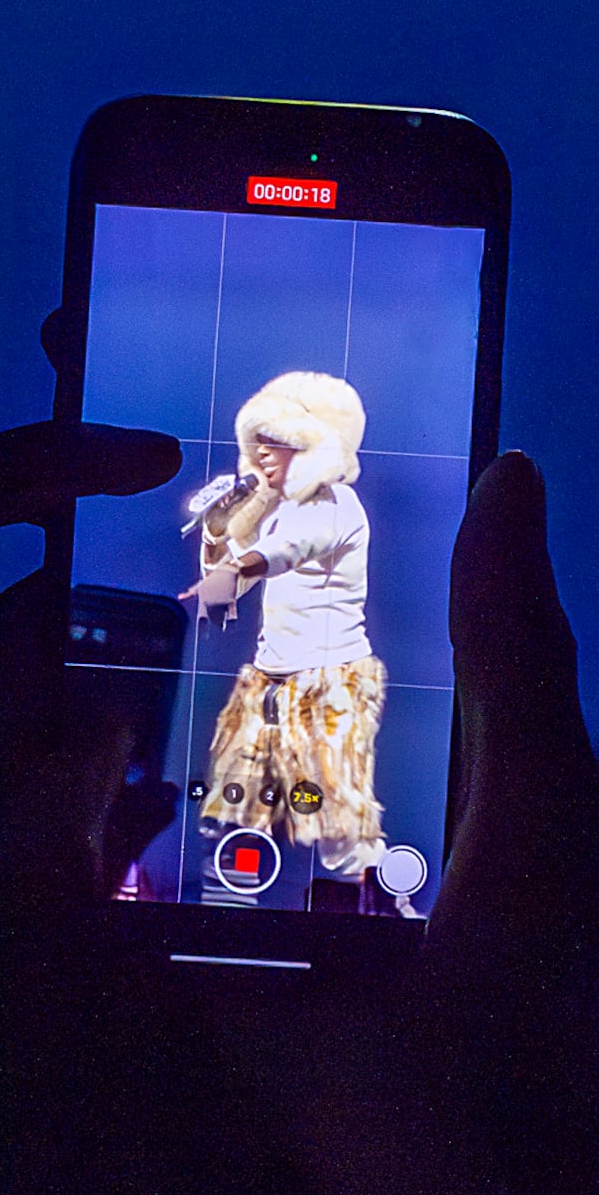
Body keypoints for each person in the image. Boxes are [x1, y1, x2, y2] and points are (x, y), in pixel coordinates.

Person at [186, 371, 390, 885]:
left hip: (328, 683)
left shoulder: (335, 506)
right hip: (271, 681)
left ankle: (378, 913)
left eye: (280, 443)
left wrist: (240, 565)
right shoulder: (276, 513)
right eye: (259, 442)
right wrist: (218, 534)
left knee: (339, 833)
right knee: (231, 816)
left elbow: (295, 547)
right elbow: (228, 579)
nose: (264, 454)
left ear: (316, 450)